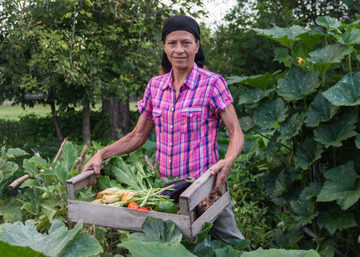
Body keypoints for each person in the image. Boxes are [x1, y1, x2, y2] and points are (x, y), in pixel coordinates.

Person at [82, 14, 245, 243]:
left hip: (205, 188)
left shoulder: (212, 83)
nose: (179, 50)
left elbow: (236, 132)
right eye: (172, 43)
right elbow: (137, 136)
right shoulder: (155, 86)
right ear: (164, 46)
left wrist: (227, 162)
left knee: (232, 243)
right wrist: (101, 154)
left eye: (186, 43)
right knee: (173, 246)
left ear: (197, 46)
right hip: (165, 191)